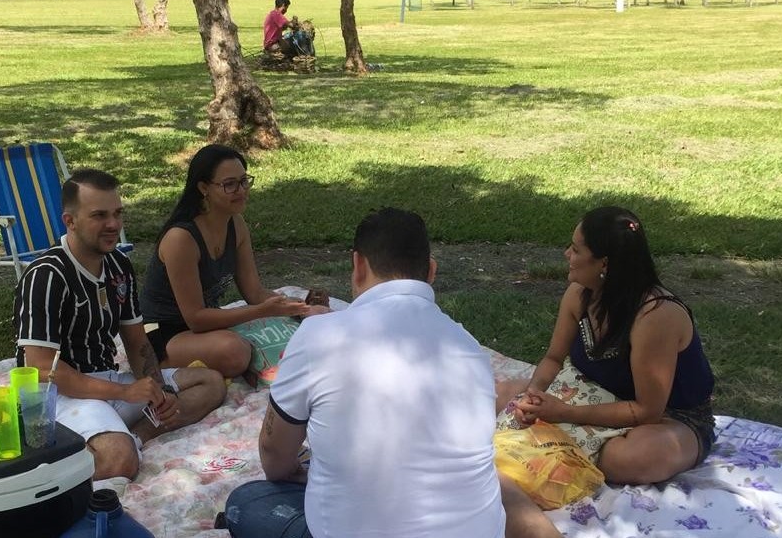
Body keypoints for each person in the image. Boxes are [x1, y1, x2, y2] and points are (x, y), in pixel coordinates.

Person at [223, 208, 560, 538]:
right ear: (431, 271)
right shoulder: (469, 347)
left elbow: (275, 458)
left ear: (357, 265)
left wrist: (306, 472)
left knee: (246, 503)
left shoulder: (318, 335)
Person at [13, 169, 226, 486]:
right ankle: (112, 446)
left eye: (117, 214)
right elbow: (44, 370)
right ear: (69, 221)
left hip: (109, 384)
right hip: (60, 396)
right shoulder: (46, 275)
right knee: (118, 460)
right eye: (99, 215)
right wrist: (125, 391)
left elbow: (137, 343)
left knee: (210, 382)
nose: (113, 225)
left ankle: (136, 437)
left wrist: (158, 389)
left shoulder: (119, 266)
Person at [497, 206, 716, 486]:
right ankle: (561, 441)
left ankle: (561, 443)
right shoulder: (579, 295)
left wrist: (564, 413)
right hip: (591, 392)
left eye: (576, 250)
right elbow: (553, 358)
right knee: (499, 395)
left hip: (666, 416)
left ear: (604, 264)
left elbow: (647, 410)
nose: (567, 255)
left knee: (633, 459)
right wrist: (535, 394)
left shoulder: (655, 316)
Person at [140, 145, 325, 378]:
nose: (241, 191)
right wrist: (259, 312)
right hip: (163, 334)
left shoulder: (236, 225)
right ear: (203, 188)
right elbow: (196, 318)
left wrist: (298, 307)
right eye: (230, 184)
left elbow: (255, 292)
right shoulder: (181, 239)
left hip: (207, 327)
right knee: (234, 351)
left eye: (244, 181)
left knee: (318, 317)